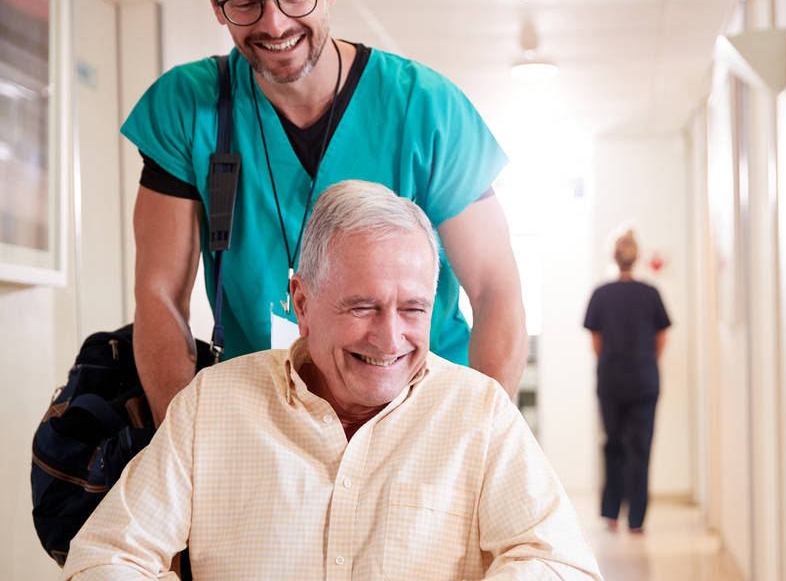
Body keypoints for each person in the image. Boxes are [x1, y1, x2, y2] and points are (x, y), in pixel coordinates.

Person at [61, 181, 603, 581]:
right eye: (363, 306)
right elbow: (107, 558)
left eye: (413, 309)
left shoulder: (478, 412)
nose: (390, 339)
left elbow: (561, 563)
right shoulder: (213, 405)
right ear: (302, 303)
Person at [128, 0, 527, 425]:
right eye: (244, 2)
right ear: (214, 0)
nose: (274, 24)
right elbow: (159, 294)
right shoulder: (188, 107)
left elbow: (495, 289)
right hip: (264, 417)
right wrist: (184, 443)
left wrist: (484, 441)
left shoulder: (425, 108)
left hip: (421, 413)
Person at [582, 230, 671, 533]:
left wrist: (612, 363)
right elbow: (661, 338)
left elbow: (597, 342)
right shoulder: (651, 294)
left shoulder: (601, 294)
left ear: (614, 257)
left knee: (613, 444)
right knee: (641, 448)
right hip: (645, 379)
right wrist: (646, 362)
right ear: (637, 256)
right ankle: (637, 519)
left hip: (612, 380)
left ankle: (610, 512)